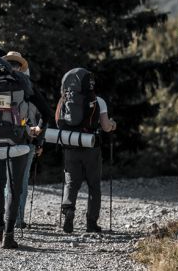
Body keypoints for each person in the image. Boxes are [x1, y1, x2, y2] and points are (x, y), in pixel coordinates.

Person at [0, 51, 52, 249]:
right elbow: (46, 112)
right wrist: (38, 130)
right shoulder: (24, 82)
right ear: (20, 67)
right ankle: (9, 235)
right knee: (15, 187)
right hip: (18, 140)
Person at [59, 68, 116, 233]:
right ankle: (91, 223)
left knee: (71, 182)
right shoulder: (98, 101)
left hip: (70, 145)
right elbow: (106, 126)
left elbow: (58, 121)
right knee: (94, 185)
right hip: (91, 146)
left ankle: (68, 210)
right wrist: (113, 125)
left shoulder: (64, 100)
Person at [4, 59, 44, 230]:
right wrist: (40, 141)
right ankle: (18, 219)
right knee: (22, 180)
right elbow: (42, 115)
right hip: (27, 140)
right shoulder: (28, 87)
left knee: (6, 180)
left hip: (2, 138)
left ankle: (6, 219)